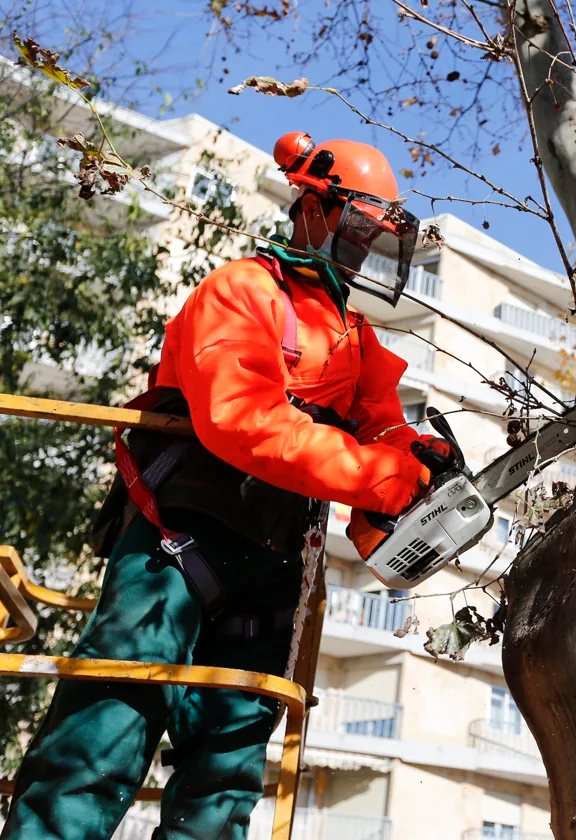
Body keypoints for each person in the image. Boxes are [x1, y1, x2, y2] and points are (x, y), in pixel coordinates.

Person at [1, 132, 451, 840]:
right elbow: (243, 420)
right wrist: (379, 476)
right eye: (358, 226)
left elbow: (382, 438)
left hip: (275, 566)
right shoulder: (245, 290)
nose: (365, 246)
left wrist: (421, 470)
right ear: (312, 207)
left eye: (378, 236)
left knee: (229, 764)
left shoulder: (357, 342)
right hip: (177, 542)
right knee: (109, 725)